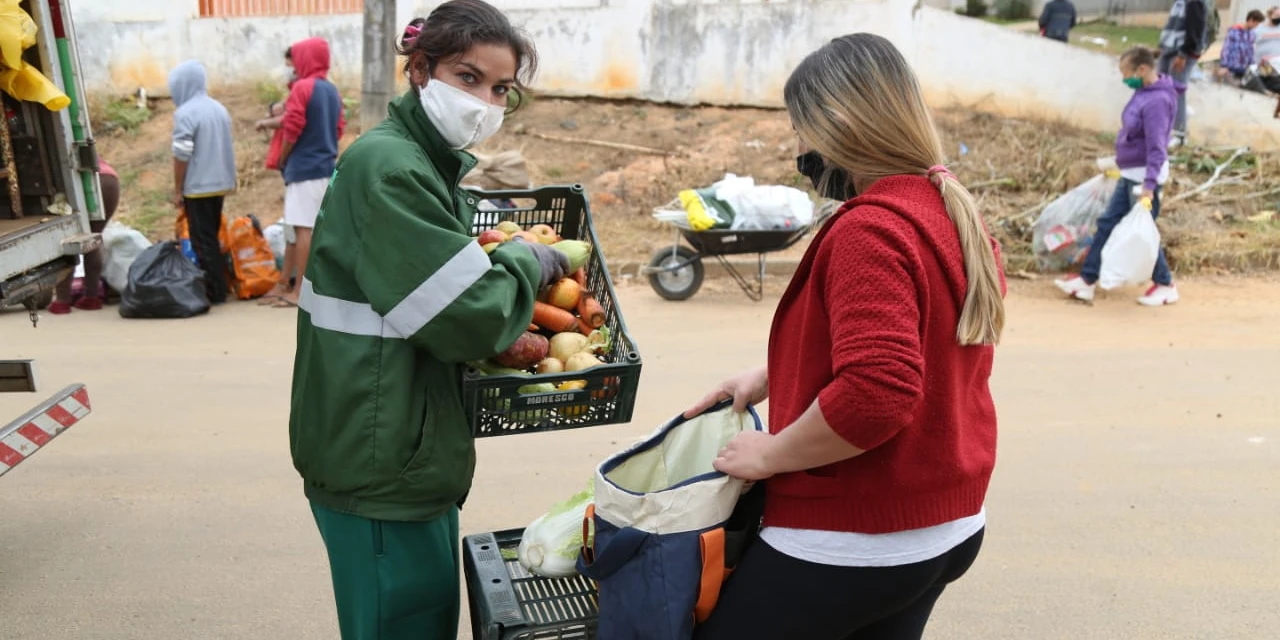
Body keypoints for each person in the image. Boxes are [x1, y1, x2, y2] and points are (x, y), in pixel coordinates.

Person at [685, 33, 1005, 640]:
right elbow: (920, 347)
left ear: (838, 125)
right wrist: (777, 376)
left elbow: (878, 393)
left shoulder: (871, 231)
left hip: (856, 539)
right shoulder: (944, 208)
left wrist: (771, 455)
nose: (799, 148)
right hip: (948, 524)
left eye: (801, 131)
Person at [288, 3, 567, 639]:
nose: (485, 101)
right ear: (420, 69)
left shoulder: (421, 163)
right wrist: (523, 261)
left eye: (500, 89)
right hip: (380, 453)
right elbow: (468, 319)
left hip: (403, 446)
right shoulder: (391, 168)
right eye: (468, 78)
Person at [1056, 47, 1180, 307]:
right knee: (1108, 223)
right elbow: (1135, 134)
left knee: (1142, 232)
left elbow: (1157, 146)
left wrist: (1148, 185)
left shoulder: (1157, 101)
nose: (1124, 78)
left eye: (1126, 73)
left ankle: (1166, 284)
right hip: (1130, 174)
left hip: (1144, 179)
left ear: (1142, 69)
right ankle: (1087, 280)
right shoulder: (1144, 92)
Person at [269, 37, 344, 308]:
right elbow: (339, 128)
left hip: (304, 168)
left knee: (303, 231)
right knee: (303, 228)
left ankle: (300, 290)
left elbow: (293, 126)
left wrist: (283, 156)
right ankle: (287, 286)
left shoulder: (303, 87)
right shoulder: (331, 90)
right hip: (324, 167)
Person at [168, 59, 236, 305]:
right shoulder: (218, 108)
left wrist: (178, 189)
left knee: (202, 240)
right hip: (220, 183)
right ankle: (221, 285)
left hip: (198, 187)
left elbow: (181, 155)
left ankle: (215, 291)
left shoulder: (185, 113)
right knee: (211, 235)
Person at [49, 159, 119, 314]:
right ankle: (92, 297)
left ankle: (62, 301)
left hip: (77, 180)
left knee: (67, 239)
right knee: (92, 237)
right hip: (108, 179)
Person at [1157, 0, 1208, 144]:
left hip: (1180, 52)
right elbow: (1172, 26)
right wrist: (1162, 46)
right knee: (1163, 89)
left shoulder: (1194, 2)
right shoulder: (1180, 2)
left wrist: (1183, 54)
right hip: (1169, 50)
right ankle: (1165, 128)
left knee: (1175, 90)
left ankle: (1179, 133)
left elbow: (1195, 30)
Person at [1217, 10, 1265, 83]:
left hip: (1243, 68)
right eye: (1256, 24)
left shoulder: (1252, 34)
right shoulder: (1234, 31)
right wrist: (1224, 66)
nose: (1256, 27)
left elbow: (1250, 52)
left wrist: (1253, 65)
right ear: (1251, 20)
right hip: (1231, 67)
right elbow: (1226, 48)